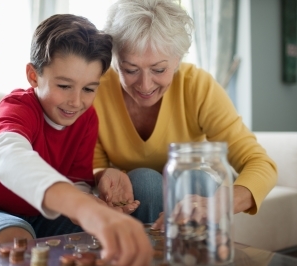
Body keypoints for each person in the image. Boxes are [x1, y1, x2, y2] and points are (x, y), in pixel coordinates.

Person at [0, 14, 152, 266]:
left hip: (42, 217)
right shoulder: (15, 109)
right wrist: (82, 207)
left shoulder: (86, 119)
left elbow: (76, 180)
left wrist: (91, 201)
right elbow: (9, 156)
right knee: (16, 238)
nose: (76, 102)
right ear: (33, 76)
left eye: (88, 89)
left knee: (104, 238)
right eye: (64, 85)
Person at [93, 0, 277, 227]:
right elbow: (95, 165)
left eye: (159, 69)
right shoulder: (97, 89)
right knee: (145, 181)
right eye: (130, 70)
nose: (145, 85)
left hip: (193, 188)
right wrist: (104, 175)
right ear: (115, 61)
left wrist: (221, 203)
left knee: (192, 178)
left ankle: (195, 258)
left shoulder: (197, 86)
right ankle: (144, 258)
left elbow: (260, 163)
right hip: (140, 195)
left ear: (177, 59)